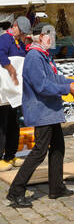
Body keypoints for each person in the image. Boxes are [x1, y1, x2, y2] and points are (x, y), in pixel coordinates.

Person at [6, 24, 72, 208]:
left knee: (58, 147)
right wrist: (68, 88)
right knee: (39, 151)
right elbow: (42, 85)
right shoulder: (35, 56)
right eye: (50, 36)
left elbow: (55, 79)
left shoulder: (44, 55)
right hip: (42, 110)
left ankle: (56, 187)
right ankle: (15, 191)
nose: (53, 39)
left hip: (50, 110)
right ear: (42, 36)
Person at [0, 17, 27, 169]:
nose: (21, 35)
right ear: (15, 26)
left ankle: (10, 155)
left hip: (14, 91)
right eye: (21, 31)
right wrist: (10, 68)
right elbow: (0, 55)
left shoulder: (20, 43)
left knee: (13, 124)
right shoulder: (4, 39)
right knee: (1, 125)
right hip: (3, 91)